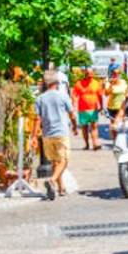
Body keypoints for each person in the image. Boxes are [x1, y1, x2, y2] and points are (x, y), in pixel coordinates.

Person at [34, 67, 75, 202]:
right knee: (64, 160)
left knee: (54, 162)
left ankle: (61, 188)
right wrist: (75, 126)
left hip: (47, 134)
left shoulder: (40, 99)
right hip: (61, 132)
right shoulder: (63, 96)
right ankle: (52, 180)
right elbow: (72, 114)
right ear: (57, 83)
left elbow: (37, 119)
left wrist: (34, 136)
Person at [72, 67, 103, 150]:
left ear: (93, 74)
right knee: (84, 127)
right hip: (82, 109)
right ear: (85, 74)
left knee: (94, 126)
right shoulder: (79, 83)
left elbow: (100, 95)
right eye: (87, 74)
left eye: (91, 74)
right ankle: (86, 144)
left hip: (93, 109)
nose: (89, 75)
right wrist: (74, 104)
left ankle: (95, 143)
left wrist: (101, 106)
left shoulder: (96, 83)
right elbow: (74, 95)